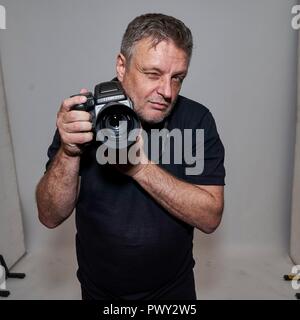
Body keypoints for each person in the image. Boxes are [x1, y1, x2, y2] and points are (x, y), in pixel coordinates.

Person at [36, 13, 225, 300]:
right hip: (100, 291)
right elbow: (49, 216)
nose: (167, 91)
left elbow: (210, 217)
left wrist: (138, 168)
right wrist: (69, 152)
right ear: (122, 66)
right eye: (153, 74)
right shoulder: (83, 117)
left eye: (178, 78)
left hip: (173, 292)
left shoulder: (196, 119)